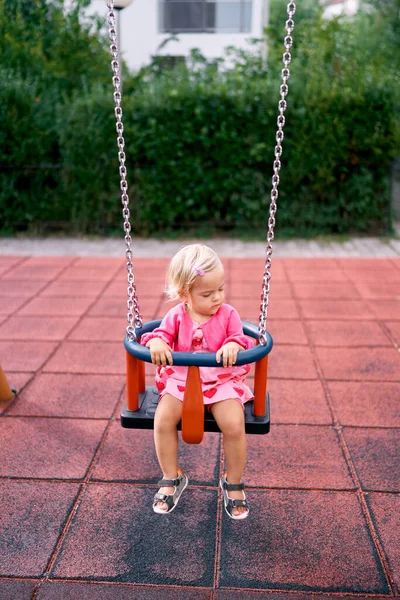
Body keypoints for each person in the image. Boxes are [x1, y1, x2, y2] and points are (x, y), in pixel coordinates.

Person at [140, 244, 254, 520]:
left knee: (235, 424)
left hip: (220, 381)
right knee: (163, 420)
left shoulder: (228, 314)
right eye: (207, 293)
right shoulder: (176, 316)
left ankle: (234, 482)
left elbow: (240, 338)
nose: (217, 298)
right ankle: (172, 477)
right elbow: (159, 336)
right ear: (184, 295)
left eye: (220, 289)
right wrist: (155, 341)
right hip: (181, 381)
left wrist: (232, 347)